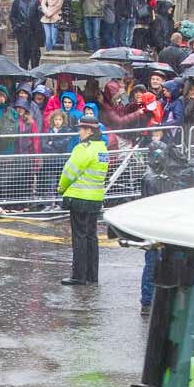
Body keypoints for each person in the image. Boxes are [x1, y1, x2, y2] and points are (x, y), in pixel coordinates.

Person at [57, 112, 108, 285]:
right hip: (95, 198)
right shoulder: (102, 149)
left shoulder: (83, 149)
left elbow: (69, 172)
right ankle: (92, 275)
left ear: (89, 131)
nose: (80, 132)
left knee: (79, 237)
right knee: (91, 237)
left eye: (82, 129)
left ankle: (79, 275)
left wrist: (61, 188)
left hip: (79, 198)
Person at [9, 0, 43, 70]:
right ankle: (23, 78)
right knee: (23, 57)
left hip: (33, 34)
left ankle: (35, 76)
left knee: (35, 56)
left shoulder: (36, 1)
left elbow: (40, 16)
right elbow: (12, 16)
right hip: (22, 33)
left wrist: (38, 31)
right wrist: (17, 26)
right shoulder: (17, 1)